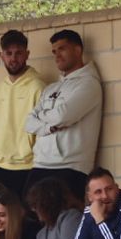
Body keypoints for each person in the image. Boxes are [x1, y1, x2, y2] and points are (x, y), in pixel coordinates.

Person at [0, 29, 45, 229]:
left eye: (19, 53)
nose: (14, 58)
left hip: (26, 167)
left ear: (27, 54)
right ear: (1, 56)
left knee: (22, 223)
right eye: (9, 53)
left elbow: (43, 132)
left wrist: (37, 164)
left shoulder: (38, 87)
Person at [24, 29, 102, 205]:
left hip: (70, 166)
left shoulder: (89, 84)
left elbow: (62, 116)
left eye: (62, 49)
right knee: (29, 221)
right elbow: (29, 122)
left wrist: (43, 117)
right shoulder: (50, 89)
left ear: (77, 50)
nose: (57, 55)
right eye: (54, 51)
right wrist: (47, 127)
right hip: (41, 165)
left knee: (65, 222)